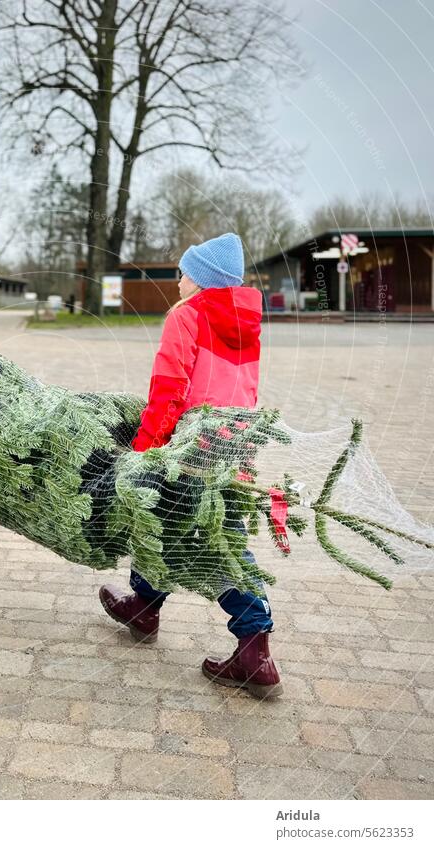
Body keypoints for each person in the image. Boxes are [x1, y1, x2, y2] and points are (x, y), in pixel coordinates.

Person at [98, 233, 283, 699]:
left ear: (200, 280)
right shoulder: (247, 323)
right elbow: (248, 396)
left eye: (184, 273)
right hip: (231, 448)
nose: (178, 281)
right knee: (170, 525)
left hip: (189, 451)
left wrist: (145, 449)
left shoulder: (188, 316)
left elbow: (169, 387)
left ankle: (254, 642)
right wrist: (245, 455)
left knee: (209, 543)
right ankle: (144, 601)